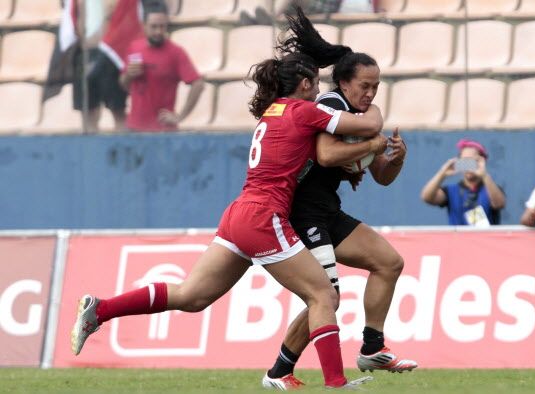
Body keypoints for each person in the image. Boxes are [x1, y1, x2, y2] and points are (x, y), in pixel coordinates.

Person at [70, 6, 385, 389]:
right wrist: (376, 133)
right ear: (303, 85)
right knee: (323, 294)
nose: (320, 92)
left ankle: (101, 310)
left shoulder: (271, 111)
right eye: (316, 85)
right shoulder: (303, 112)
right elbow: (368, 122)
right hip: (264, 216)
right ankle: (335, 383)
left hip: (238, 213)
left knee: (191, 295)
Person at [262, 52, 415, 391]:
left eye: (376, 86)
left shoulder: (358, 116)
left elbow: (382, 176)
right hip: (302, 213)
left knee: (388, 263)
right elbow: (327, 155)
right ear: (344, 83)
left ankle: (373, 348)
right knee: (326, 297)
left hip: (327, 211)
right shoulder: (330, 104)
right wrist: (373, 140)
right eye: (365, 85)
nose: (372, 93)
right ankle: (278, 372)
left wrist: (396, 159)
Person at [119, 1, 204, 132]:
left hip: (163, 131)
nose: (158, 31)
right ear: (144, 26)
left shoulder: (176, 52)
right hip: (134, 129)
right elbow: (124, 85)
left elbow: (198, 84)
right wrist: (128, 76)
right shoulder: (134, 48)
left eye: (162, 27)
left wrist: (180, 117)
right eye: (154, 27)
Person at [72, 0, 145, 131]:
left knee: (117, 110)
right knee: (87, 112)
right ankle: (91, 149)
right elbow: (78, 23)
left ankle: (123, 147)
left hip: (111, 54)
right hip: (85, 53)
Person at [420, 139, 506, 226]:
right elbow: (427, 197)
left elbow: (499, 204)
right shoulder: (451, 191)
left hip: (486, 239)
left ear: (482, 162)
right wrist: (442, 173)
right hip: (457, 239)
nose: (468, 165)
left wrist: (484, 175)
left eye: (472, 161)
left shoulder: (491, 189)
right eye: (464, 161)